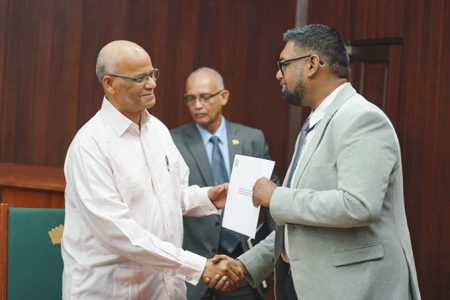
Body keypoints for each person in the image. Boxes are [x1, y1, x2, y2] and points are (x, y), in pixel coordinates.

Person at [210, 24, 421, 299]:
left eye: (283, 64)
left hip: (355, 289)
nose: (278, 74)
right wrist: (245, 265)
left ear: (311, 64)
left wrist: (276, 198)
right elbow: (298, 224)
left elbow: (358, 205)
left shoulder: (361, 119)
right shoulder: (314, 123)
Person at [61, 40, 243, 300]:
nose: (152, 84)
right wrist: (198, 266)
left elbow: (170, 195)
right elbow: (120, 233)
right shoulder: (89, 145)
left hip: (163, 289)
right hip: (110, 291)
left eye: (152, 74)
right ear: (109, 83)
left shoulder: (157, 129)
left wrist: (207, 198)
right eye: (139, 78)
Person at [171, 67, 278, 300]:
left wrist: (271, 257)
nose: (197, 105)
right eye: (191, 99)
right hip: (193, 268)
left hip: (241, 265)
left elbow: (272, 200)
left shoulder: (252, 139)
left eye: (205, 97)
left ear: (224, 97)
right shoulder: (173, 141)